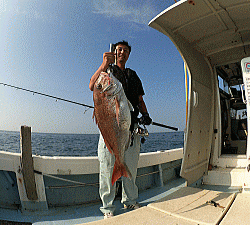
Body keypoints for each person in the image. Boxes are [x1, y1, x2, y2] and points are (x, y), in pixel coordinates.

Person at [89, 41, 152, 219]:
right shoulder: (107, 72)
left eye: (124, 50)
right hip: (110, 131)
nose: (121, 52)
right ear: (113, 53)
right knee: (107, 169)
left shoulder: (133, 75)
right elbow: (92, 85)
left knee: (130, 167)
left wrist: (146, 114)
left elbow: (139, 99)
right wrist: (103, 64)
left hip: (130, 130)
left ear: (128, 54)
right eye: (118, 49)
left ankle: (130, 200)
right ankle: (107, 208)